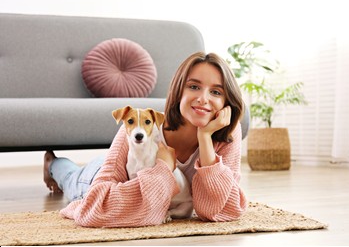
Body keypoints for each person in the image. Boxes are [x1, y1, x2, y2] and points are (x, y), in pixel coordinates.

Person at [43, 51, 248, 227]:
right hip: (101, 175)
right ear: (178, 91)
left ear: (226, 102)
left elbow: (220, 210)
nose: (203, 98)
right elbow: (94, 208)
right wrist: (163, 170)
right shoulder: (140, 129)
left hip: (125, 188)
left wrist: (204, 138)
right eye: (194, 87)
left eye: (215, 91)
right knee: (71, 179)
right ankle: (53, 163)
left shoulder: (225, 133)